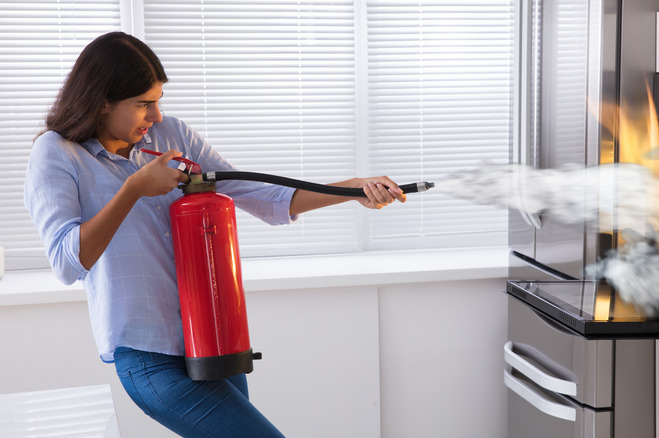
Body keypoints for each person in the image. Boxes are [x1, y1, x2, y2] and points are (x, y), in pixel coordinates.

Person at [24, 31, 406, 438]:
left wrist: (350, 190)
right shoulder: (56, 153)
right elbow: (67, 262)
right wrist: (134, 188)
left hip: (214, 339)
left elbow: (260, 196)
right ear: (102, 100)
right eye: (143, 104)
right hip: (148, 353)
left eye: (157, 100)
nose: (155, 115)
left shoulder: (171, 135)